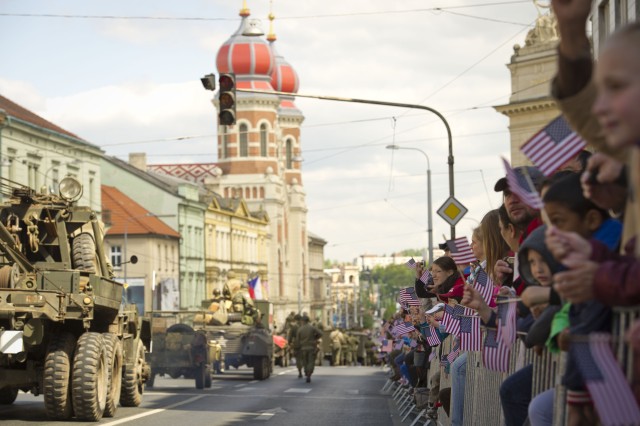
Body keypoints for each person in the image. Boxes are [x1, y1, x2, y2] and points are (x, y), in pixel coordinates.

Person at [296, 315, 322, 383]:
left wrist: (297, 348)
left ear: (302, 321)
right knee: (311, 362)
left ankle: (306, 372)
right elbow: (320, 333)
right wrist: (315, 338)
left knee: (305, 362)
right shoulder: (312, 328)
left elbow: (297, 340)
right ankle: (309, 375)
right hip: (311, 347)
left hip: (303, 348)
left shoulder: (300, 329)